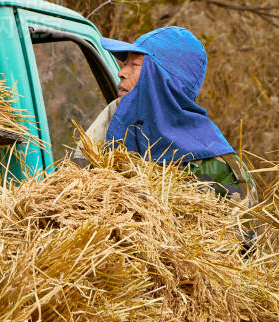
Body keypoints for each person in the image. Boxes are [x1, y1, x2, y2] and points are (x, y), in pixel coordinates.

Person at [83, 26, 256, 202]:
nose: (121, 72)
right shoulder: (112, 126)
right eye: (124, 63)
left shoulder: (221, 170)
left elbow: (245, 228)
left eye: (134, 64)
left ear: (163, 81)